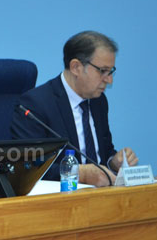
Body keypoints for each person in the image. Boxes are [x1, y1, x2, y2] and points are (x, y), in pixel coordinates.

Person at [10, 30, 138, 186]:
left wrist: (113, 162)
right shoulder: (36, 104)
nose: (109, 80)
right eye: (103, 71)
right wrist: (78, 173)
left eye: (111, 71)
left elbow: (104, 152)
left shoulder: (98, 101)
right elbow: (28, 167)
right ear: (76, 67)